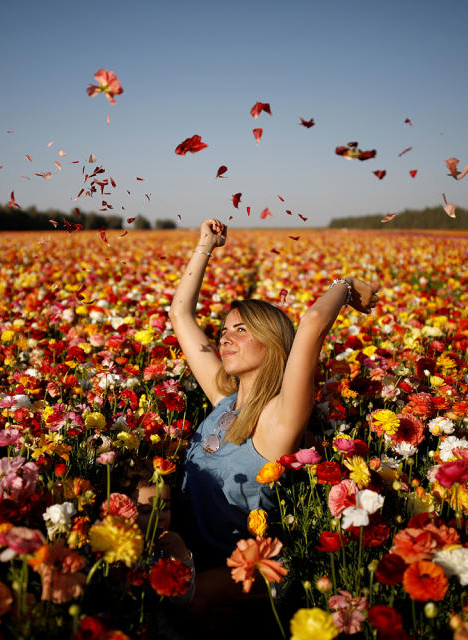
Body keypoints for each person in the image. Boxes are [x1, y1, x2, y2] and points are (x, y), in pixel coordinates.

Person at [169, 219, 378, 617]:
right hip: (193, 561)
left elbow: (313, 324)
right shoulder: (223, 403)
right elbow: (181, 315)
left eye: (242, 330)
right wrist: (205, 246)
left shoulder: (276, 421)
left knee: (181, 601)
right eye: (225, 329)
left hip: (243, 576)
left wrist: (348, 285)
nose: (225, 337)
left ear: (272, 343)